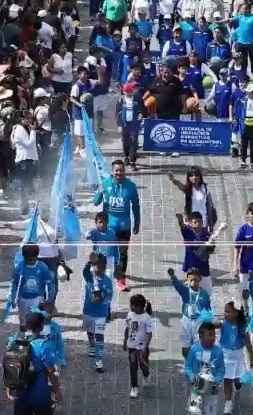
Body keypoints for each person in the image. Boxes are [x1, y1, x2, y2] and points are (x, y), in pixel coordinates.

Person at [91, 159, 141, 291]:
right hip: (108, 227)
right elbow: (95, 202)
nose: (119, 173)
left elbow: (136, 206)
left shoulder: (130, 186)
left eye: (121, 170)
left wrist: (137, 222)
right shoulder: (105, 184)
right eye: (116, 170)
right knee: (106, 253)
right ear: (112, 172)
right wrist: (99, 193)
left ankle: (120, 279)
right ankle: (102, 274)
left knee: (122, 253)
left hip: (124, 226)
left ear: (124, 171)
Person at [8, 244, 57, 331]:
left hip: (37, 298)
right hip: (22, 299)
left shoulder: (42, 268)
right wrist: (13, 298)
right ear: (24, 257)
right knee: (23, 320)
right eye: (27, 259)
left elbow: (50, 283)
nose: (30, 262)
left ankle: (36, 337)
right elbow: (14, 284)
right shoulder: (20, 268)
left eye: (32, 259)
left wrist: (50, 298)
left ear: (37, 256)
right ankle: (22, 336)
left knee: (35, 319)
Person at [82, 253, 115, 373]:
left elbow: (109, 296)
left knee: (99, 334)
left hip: (101, 313)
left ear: (105, 267)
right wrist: (88, 262)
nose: (99, 269)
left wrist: (102, 300)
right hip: (89, 311)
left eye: (102, 267)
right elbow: (84, 271)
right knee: (90, 331)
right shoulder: (89, 277)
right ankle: (91, 344)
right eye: (97, 266)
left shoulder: (107, 281)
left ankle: (99, 359)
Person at [218, 302, 252, 415]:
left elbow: (247, 342)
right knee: (227, 379)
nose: (225, 313)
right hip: (225, 355)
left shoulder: (242, 326)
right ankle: (228, 403)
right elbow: (213, 324)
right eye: (225, 311)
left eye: (228, 311)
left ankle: (237, 382)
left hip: (238, 355)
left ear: (236, 313)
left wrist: (251, 357)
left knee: (236, 377)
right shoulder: (223, 323)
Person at [184, 322, 225, 415]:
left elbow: (221, 369)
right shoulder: (194, 349)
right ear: (201, 336)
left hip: (212, 389)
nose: (213, 337)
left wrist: (217, 380)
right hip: (196, 387)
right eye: (210, 335)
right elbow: (188, 366)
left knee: (210, 411)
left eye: (214, 334)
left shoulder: (218, 351)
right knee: (194, 411)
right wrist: (191, 376)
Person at [167, 167, 218, 231]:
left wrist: (211, 224)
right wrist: (173, 179)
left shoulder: (205, 187)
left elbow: (208, 206)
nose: (194, 177)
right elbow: (179, 184)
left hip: (203, 222)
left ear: (200, 176)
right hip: (191, 223)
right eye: (191, 176)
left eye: (196, 175)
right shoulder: (188, 189)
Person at [123, 294, 154, 398]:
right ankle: (134, 387)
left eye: (133, 305)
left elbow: (149, 333)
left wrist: (146, 346)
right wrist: (125, 341)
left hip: (142, 348)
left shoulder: (146, 318)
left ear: (140, 306)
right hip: (132, 347)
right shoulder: (130, 314)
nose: (131, 307)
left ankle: (146, 375)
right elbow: (127, 328)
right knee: (133, 367)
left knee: (143, 366)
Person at [233, 84, 253, 168]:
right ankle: (243, 160)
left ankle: (252, 161)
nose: (248, 93)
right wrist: (236, 120)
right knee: (243, 143)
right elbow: (237, 111)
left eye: (249, 92)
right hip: (245, 124)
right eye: (247, 92)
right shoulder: (242, 100)